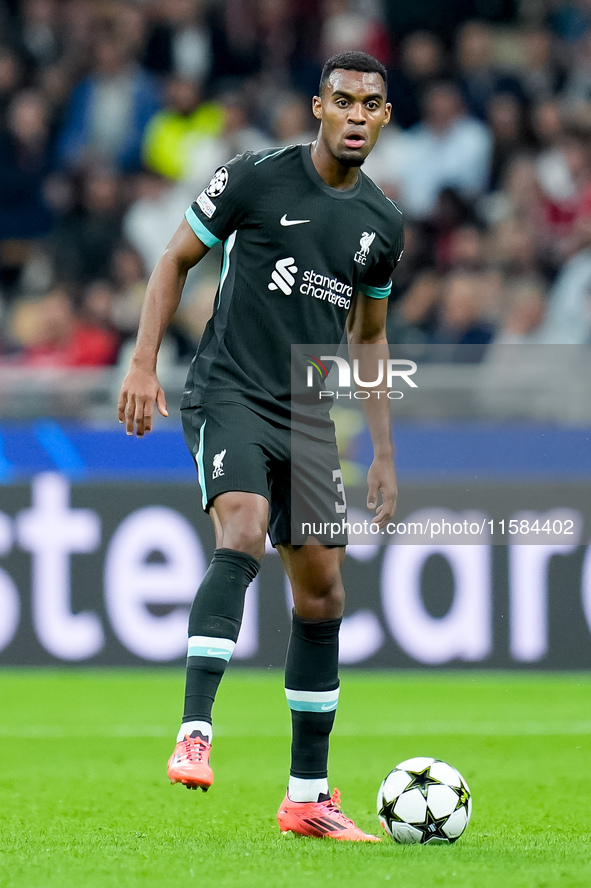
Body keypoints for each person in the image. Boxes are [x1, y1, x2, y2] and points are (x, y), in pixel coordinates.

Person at [117, 50, 404, 842]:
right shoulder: (255, 176)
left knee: (322, 595)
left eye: (369, 104)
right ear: (317, 106)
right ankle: (194, 729)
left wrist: (381, 450)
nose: (354, 114)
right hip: (230, 391)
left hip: (310, 408)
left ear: (382, 117)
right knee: (241, 525)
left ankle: (307, 797)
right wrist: (143, 364)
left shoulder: (381, 224)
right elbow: (174, 258)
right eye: (341, 100)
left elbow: (369, 338)